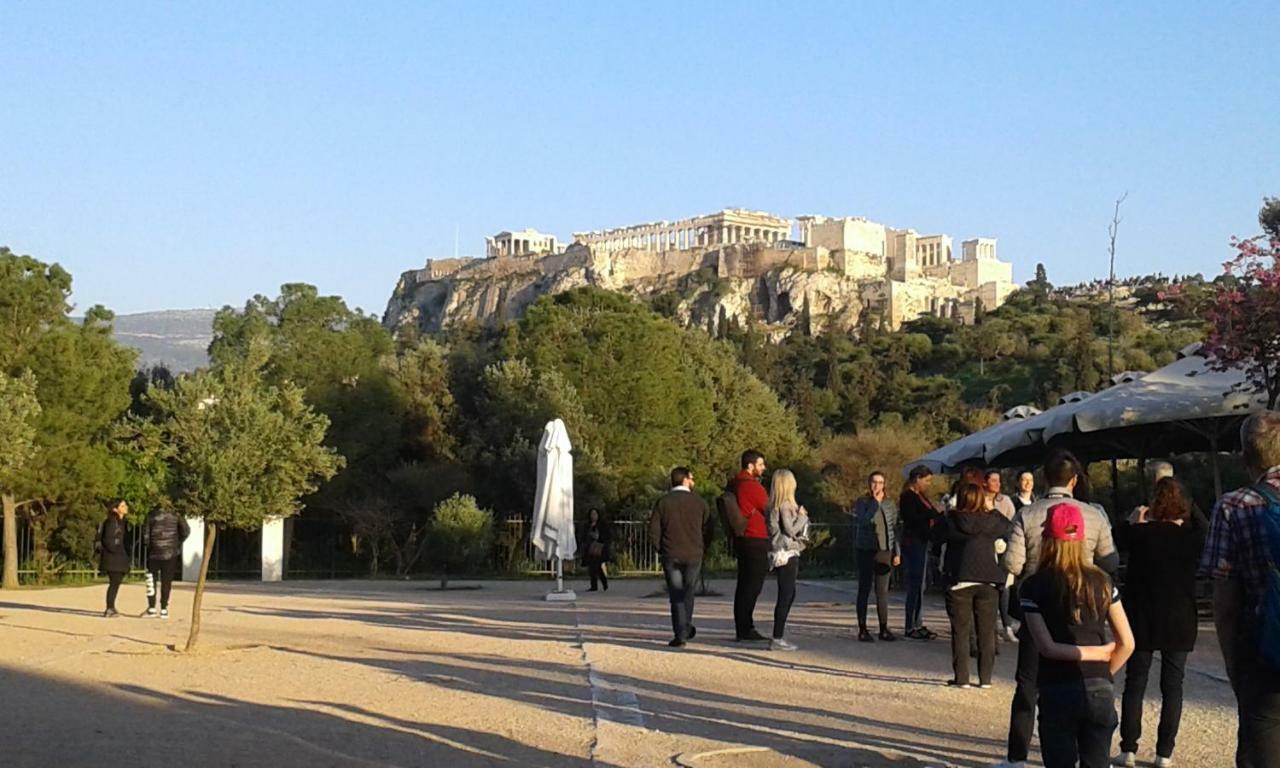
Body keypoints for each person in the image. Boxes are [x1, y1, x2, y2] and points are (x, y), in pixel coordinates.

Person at [995, 450, 1119, 768]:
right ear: (1075, 480)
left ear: (1043, 478)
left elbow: (1013, 563)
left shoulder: (1028, 514)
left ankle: (1017, 756)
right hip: (1086, 600)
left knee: (1028, 682)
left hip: (1038, 602)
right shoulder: (1094, 515)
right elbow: (1111, 560)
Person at [1020, 502, 1134, 768]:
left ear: (1047, 538)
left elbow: (1047, 648)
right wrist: (1104, 662)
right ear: (1082, 539)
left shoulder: (1034, 587)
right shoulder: (1103, 582)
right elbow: (1127, 642)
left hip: (1057, 686)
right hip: (1099, 687)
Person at [1201, 412, 1280, 767]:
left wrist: (1234, 667)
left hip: (1264, 656)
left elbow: (1225, 604)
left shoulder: (1234, 506)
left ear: (1246, 455)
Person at [1115, 477, 1202, 768]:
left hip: (1142, 616)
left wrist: (1134, 520)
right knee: (1173, 686)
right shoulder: (1191, 538)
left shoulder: (1140, 535)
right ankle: (1164, 753)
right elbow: (1204, 529)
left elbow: (1116, 540)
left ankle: (1128, 748)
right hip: (1179, 617)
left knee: (1135, 681)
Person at [934, 481, 1009, 688]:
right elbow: (1007, 524)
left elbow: (936, 537)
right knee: (986, 632)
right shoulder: (992, 521)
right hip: (988, 579)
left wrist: (948, 509)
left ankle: (962, 678)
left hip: (960, 578)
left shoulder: (952, 520)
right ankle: (985, 679)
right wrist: (990, 508)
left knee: (961, 630)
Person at [649, 467, 709, 648]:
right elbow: (708, 528)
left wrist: (660, 548)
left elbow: (654, 530)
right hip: (694, 553)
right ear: (685, 480)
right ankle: (685, 626)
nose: (693, 481)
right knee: (689, 592)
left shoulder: (663, 502)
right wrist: (702, 546)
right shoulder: (699, 502)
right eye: (692, 478)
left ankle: (680, 633)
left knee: (676, 594)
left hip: (671, 553)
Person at [852, 471, 900, 642]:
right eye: (874, 482)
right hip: (865, 549)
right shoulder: (862, 502)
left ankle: (883, 627)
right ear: (868, 483)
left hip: (884, 550)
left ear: (884, 485)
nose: (877, 486)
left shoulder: (890, 504)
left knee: (882, 591)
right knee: (864, 588)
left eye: (880, 482)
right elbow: (864, 521)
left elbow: (894, 528)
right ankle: (863, 628)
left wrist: (896, 552)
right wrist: (874, 504)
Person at [766, 468, 809, 652]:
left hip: (782, 552)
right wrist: (802, 517)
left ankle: (779, 634)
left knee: (789, 594)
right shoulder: (784, 505)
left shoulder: (776, 505)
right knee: (786, 594)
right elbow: (790, 530)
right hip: (787, 552)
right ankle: (777, 636)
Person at [732, 449, 770, 642]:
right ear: (750, 465)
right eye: (760, 464)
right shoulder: (751, 486)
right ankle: (746, 628)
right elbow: (768, 507)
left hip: (744, 539)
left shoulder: (736, 484)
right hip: (755, 538)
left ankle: (743, 626)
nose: (763, 468)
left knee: (744, 584)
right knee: (752, 585)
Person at [900, 464, 942, 640]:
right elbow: (912, 519)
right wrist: (932, 515)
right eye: (926, 480)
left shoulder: (921, 496)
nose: (928, 484)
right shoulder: (908, 497)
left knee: (921, 584)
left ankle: (918, 621)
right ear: (917, 479)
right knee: (915, 583)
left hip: (923, 541)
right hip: (914, 542)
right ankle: (910, 625)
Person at [985, 469, 1019, 643]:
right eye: (993, 480)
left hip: (1002, 548)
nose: (997, 484)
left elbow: (1011, 524)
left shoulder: (1005, 501)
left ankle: (1006, 625)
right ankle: (989, 627)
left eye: (999, 481)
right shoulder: (979, 500)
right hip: (985, 550)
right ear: (985, 483)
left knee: (1004, 587)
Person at [142, 506, 189, 618]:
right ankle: (164, 608)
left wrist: (150, 545)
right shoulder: (177, 514)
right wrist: (176, 543)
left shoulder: (151, 514)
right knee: (166, 581)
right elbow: (186, 531)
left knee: (151, 579)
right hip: (170, 552)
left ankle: (152, 606)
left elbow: (146, 534)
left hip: (154, 552)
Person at [98, 500, 130, 618]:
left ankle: (111, 607)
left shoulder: (123, 522)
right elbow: (108, 539)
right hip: (113, 557)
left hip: (120, 557)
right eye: (122, 505)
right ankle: (109, 608)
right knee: (114, 583)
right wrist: (117, 550)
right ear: (115, 509)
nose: (126, 507)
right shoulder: (111, 522)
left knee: (116, 583)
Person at [580, 508, 612, 592]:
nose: (593, 516)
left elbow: (607, 536)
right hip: (590, 548)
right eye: (592, 514)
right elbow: (583, 536)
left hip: (599, 548)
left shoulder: (602, 525)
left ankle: (602, 583)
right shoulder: (588, 525)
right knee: (592, 568)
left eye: (595, 514)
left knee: (597, 567)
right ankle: (595, 585)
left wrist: (599, 538)